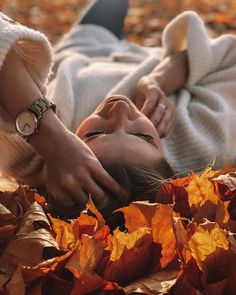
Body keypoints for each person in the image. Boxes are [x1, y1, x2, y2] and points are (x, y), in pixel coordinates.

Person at [0, 0, 236, 217]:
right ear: (166, 157)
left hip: (90, 41)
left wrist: (51, 136)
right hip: (151, 58)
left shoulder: (37, 149)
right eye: (143, 136)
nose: (121, 109)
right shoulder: (202, 143)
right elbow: (230, 56)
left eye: (96, 133)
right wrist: (157, 80)